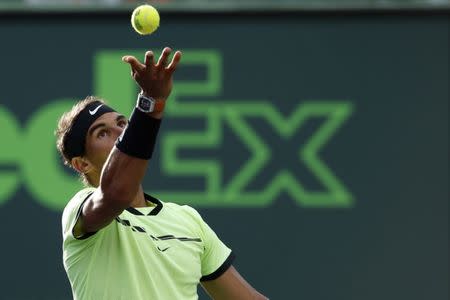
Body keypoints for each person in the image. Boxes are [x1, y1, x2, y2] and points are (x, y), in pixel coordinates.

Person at [56, 47, 268, 300]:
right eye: (102, 133)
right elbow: (116, 193)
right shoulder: (79, 211)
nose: (121, 133)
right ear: (82, 164)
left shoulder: (187, 219)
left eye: (122, 124)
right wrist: (149, 104)